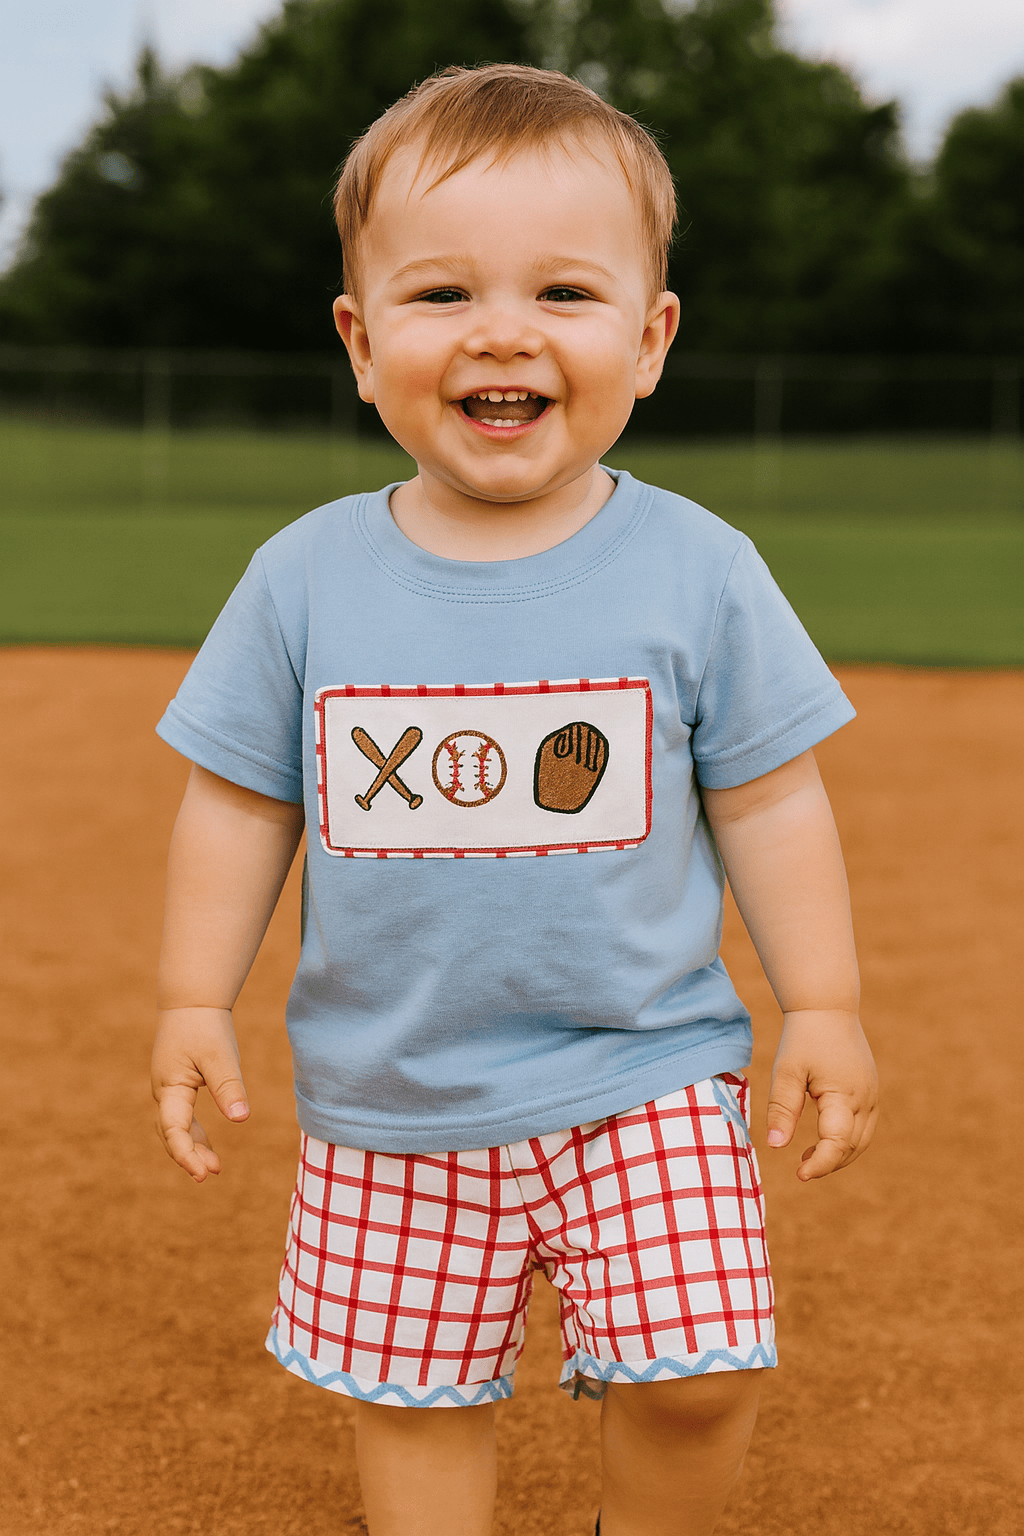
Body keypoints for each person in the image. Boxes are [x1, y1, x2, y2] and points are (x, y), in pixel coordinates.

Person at [152, 63, 878, 1536]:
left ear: (651, 338)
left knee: (698, 1372)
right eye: (441, 297)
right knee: (419, 1408)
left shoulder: (700, 567)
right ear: (360, 344)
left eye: (563, 292)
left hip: (645, 1072)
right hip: (393, 1097)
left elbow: (772, 800)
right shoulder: (303, 578)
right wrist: (189, 996)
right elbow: (238, 805)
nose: (502, 332)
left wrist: (827, 1003)